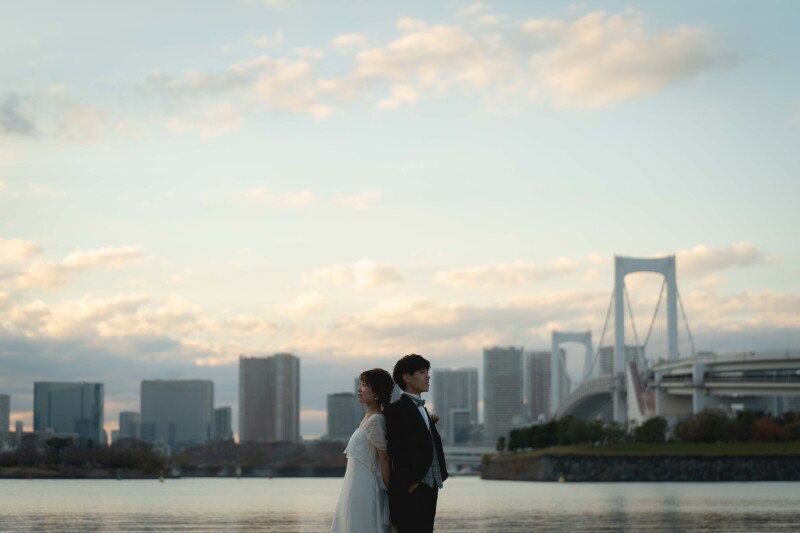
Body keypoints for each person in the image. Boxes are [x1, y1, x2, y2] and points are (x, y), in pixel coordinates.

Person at [385, 354, 448, 533]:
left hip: (431, 485)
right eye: (422, 372)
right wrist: (411, 482)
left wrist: (438, 477)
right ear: (407, 377)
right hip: (412, 488)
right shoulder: (396, 410)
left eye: (428, 372)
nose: (428, 376)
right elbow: (397, 449)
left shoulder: (423, 409)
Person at [330, 368, 394, 533]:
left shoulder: (376, 420)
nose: (359, 389)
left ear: (376, 393)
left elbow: (385, 458)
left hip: (367, 491)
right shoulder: (368, 417)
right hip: (355, 488)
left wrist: (391, 492)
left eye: (364, 385)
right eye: (360, 384)